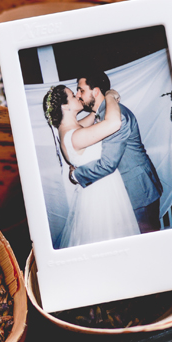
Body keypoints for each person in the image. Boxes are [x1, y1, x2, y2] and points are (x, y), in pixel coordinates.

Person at [42, 82, 140, 248]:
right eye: (73, 95)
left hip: (97, 188)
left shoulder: (70, 128)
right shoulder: (75, 136)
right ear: (65, 107)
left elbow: (94, 116)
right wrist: (109, 95)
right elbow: (114, 123)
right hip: (102, 195)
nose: (78, 96)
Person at [68, 69, 163, 234]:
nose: (77, 95)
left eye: (81, 90)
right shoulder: (102, 114)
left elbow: (107, 164)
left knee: (147, 244)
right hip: (130, 190)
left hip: (139, 193)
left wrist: (75, 176)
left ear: (96, 91)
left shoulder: (116, 117)